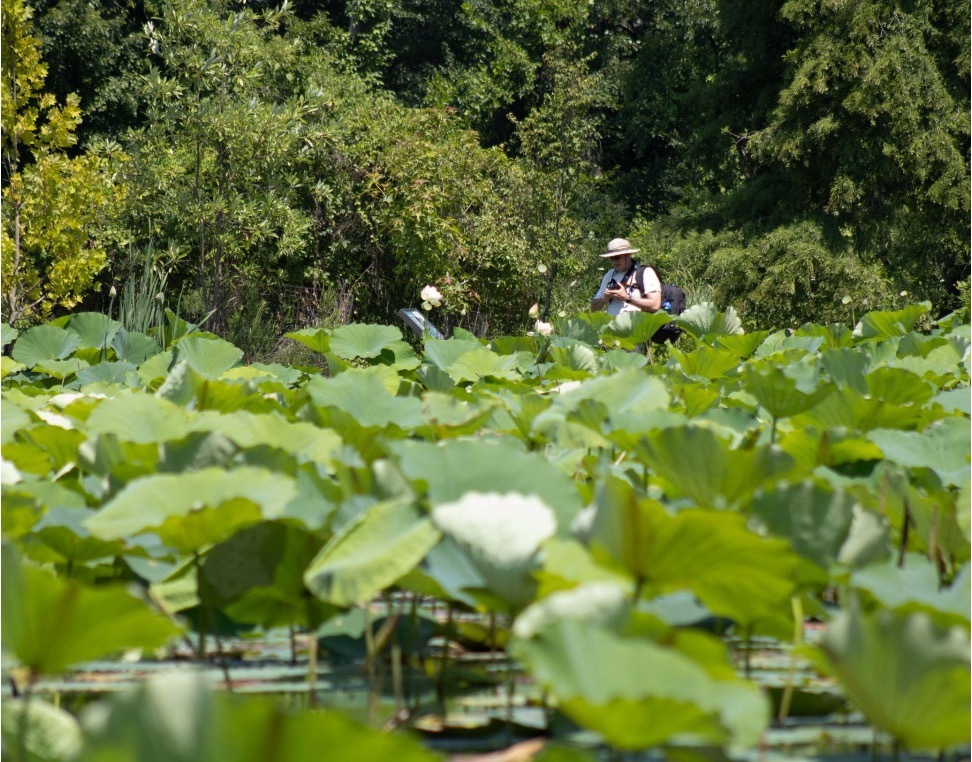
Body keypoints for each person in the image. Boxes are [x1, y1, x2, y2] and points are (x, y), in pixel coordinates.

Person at [590, 238, 662, 315]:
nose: (614, 262)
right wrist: (604, 299)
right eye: (611, 258)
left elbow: (655, 305)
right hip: (614, 326)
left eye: (617, 257)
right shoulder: (609, 275)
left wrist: (627, 298)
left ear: (627, 255)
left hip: (638, 326)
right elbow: (593, 309)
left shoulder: (645, 272)